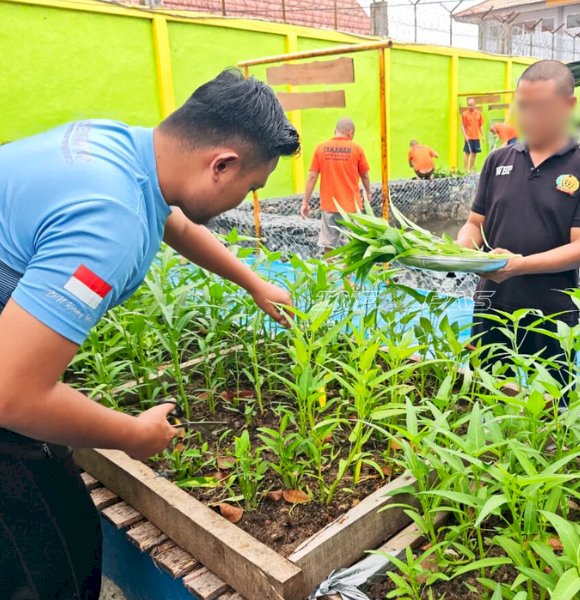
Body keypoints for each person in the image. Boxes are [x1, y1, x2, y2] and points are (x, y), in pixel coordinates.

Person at [0, 69, 299, 599]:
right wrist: (131, 435)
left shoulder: (121, 147)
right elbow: (11, 394)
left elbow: (172, 220)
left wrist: (252, 281)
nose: (246, 199)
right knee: (52, 565)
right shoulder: (107, 224)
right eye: (250, 187)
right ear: (221, 164)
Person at [456, 60, 580, 392]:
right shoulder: (498, 161)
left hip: (551, 313)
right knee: (485, 397)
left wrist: (520, 265)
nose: (528, 117)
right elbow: (474, 223)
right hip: (492, 306)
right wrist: (463, 249)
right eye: (523, 106)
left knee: (552, 413)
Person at [300, 118, 370, 252]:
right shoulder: (356, 149)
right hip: (352, 206)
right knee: (354, 242)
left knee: (328, 245)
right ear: (350, 133)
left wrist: (305, 202)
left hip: (329, 205)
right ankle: (348, 272)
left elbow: (312, 176)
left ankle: (330, 273)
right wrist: (368, 192)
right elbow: (365, 175)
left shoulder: (321, 148)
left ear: (335, 132)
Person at [461, 97, 484, 173]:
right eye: (468, 105)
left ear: (475, 105)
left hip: (476, 137)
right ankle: (465, 170)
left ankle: (471, 169)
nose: (470, 106)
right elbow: (463, 126)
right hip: (469, 137)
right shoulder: (464, 114)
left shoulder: (479, 114)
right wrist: (465, 136)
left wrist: (483, 135)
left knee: (474, 154)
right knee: (467, 153)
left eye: (471, 105)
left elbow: (480, 125)